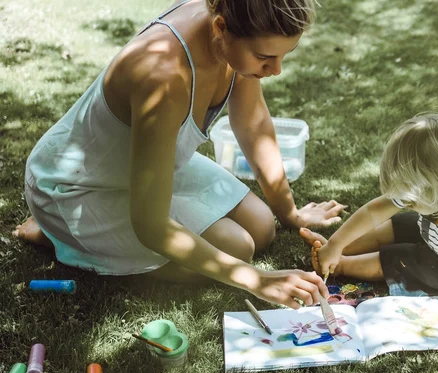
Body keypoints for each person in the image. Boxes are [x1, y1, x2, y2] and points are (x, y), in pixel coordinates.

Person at [12, 0, 346, 309]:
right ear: (220, 29)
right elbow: (151, 226)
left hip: (143, 165)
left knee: (262, 226)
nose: (276, 70)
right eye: (265, 58)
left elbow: (253, 126)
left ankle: (80, 237)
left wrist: (291, 214)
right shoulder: (164, 77)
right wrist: (256, 280)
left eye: (283, 55)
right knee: (238, 249)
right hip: (75, 186)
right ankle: (62, 235)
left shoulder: (234, 31)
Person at [300, 113, 438, 331]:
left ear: (437, 186)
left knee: (406, 258)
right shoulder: (429, 189)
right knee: (400, 223)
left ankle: (343, 264)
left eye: (410, 200)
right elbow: (373, 212)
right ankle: (338, 251)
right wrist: (336, 243)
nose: (404, 200)